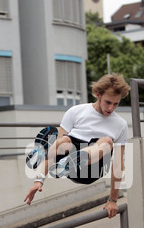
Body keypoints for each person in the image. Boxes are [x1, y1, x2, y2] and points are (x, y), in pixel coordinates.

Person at [24, 73, 131, 218]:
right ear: (98, 95)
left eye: (116, 104)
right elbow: (58, 148)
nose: (111, 108)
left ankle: (73, 160)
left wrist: (113, 199)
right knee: (62, 140)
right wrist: (39, 179)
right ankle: (58, 161)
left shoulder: (121, 125)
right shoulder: (75, 112)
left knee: (106, 142)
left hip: (92, 169)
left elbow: (118, 165)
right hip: (69, 157)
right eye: (108, 102)